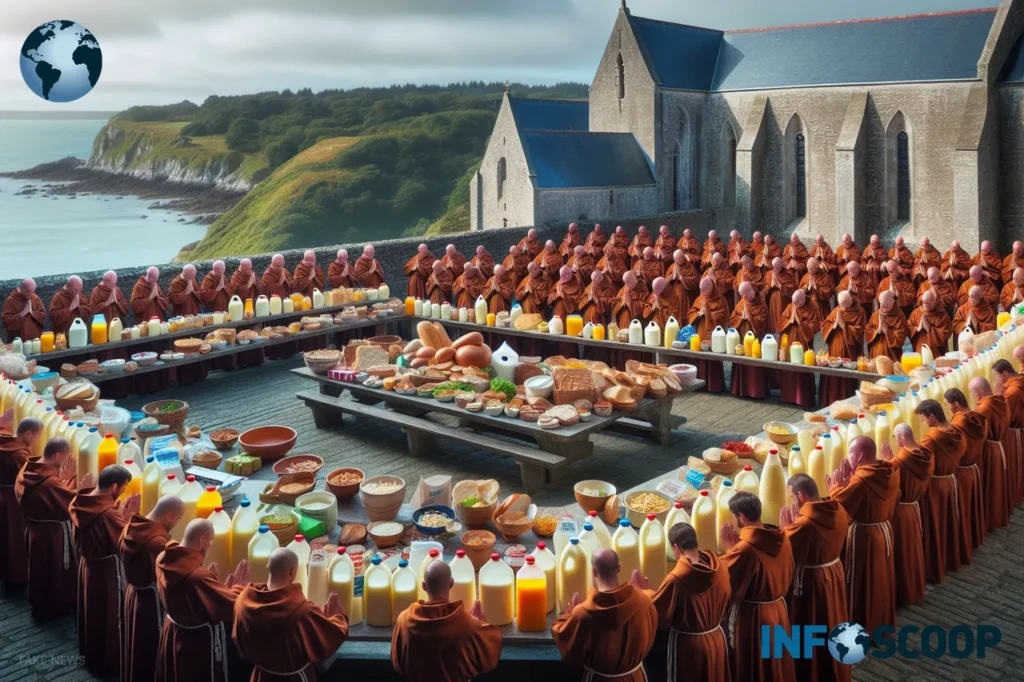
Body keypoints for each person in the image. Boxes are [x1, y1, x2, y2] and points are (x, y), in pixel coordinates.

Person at [156, 518, 249, 682]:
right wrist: (238, 589)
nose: (211, 545)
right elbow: (231, 606)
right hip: (198, 641)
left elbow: (197, 599)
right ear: (202, 540)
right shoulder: (197, 576)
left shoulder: (162, 557)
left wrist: (216, 586)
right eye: (211, 540)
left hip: (174, 632)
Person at [234, 548, 347, 681]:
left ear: (268, 566)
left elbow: (238, 638)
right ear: (293, 570)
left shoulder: (243, 601)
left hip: (261, 675)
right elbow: (329, 639)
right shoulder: (301, 611)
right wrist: (337, 618)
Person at [779, 475, 850, 682]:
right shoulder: (839, 509)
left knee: (811, 625)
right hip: (834, 572)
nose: (792, 500)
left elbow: (782, 550)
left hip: (812, 582)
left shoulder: (805, 524)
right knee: (832, 619)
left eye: (792, 496)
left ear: (801, 495)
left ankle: (812, 671)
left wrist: (786, 529)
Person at [70, 464, 140, 675]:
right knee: (109, 613)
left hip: (87, 565)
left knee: (91, 611)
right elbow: (125, 544)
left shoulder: (80, 500)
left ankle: (91, 654)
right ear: (114, 486)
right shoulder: (108, 514)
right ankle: (108, 660)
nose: (124, 491)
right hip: (107, 571)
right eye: (124, 487)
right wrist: (128, 520)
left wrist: (118, 513)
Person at [719, 492, 796, 682]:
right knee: (776, 660)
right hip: (779, 609)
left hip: (754, 616)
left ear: (742, 517)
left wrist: (730, 552)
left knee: (755, 664)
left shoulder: (744, 549)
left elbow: (723, 579)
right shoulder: (782, 538)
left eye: (735, 516)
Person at [828, 435, 900, 636]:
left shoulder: (862, 479)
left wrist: (835, 487)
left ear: (859, 456)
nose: (848, 458)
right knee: (880, 579)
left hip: (865, 535)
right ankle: (881, 619)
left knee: (863, 579)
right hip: (884, 531)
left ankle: (863, 622)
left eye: (850, 454)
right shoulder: (890, 470)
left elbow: (839, 504)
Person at [551, 547, 658, 682]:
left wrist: (569, 617)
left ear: (594, 571)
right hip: (635, 677)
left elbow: (570, 651)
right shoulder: (644, 602)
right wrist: (645, 591)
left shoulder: (583, 614)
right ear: (619, 568)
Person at [641, 522, 730, 682]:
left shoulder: (676, 579)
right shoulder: (720, 568)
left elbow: (659, 615)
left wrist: (644, 593)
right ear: (696, 543)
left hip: (689, 648)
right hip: (717, 639)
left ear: (676, 548)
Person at [391, 558, 501, 682]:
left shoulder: (404, 620)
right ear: (451, 583)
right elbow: (491, 658)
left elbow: (397, 664)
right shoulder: (469, 626)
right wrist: (481, 626)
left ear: (424, 586)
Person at [119, 495, 184, 682]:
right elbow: (174, 574)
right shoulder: (157, 543)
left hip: (134, 594)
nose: (178, 522)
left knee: (136, 641)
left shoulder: (132, 526)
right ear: (169, 516)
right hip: (150, 603)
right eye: (179, 518)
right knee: (148, 645)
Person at [14, 436, 80, 620]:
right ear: (58, 455)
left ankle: (42, 604)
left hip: (34, 529)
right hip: (51, 534)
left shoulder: (27, 468)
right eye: (66, 457)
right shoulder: (49, 482)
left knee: (39, 570)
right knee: (52, 570)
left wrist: (61, 480)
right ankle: (53, 607)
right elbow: (68, 506)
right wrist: (73, 486)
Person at [915, 399, 966, 581]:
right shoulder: (956, 432)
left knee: (934, 525)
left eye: (923, 418)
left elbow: (922, 464)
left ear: (932, 416)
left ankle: (934, 565)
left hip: (935, 487)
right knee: (949, 521)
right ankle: (950, 558)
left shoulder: (931, 438)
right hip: (950, 481)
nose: (923, 422)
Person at [885, 424, 933, 608]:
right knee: (913, 550)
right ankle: (915, 586)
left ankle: (904, 591)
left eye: (896, 438)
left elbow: (890, 482)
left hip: (901, 512)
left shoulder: (901, 459)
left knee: (902, 552)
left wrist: (890, 460)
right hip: (914, 508)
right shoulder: (927, 454)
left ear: (902, 438)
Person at [0, 418, 43, 589]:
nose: (37, 440)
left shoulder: (5, 439)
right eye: (37, 436)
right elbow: (32, 480)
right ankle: (17, 577)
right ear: (28, 433)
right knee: (14, 538)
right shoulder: (20, 455)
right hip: (12, 501)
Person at [946, 388, 988, 555]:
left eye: (947, 404)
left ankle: (961, 545)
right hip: (973, 469)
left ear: (956, 404)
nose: (947, 408)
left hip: (961, 472)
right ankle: (973, 537)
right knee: (971, 506)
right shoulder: (978, 418)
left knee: (961, 509)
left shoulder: (957, 424)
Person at [971, 377, 1011, 531]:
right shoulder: (1000, 400)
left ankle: (990, 519)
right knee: (998, 483)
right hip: (998, 446)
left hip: (989, 450)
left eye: (973, 394)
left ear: (981, 392)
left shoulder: (984, 408)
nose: (973, 396)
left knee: (991, 484)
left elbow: (975, 432)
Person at [820, 291, 866, 405]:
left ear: (850, 300)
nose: (843, 307)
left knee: (847, 375)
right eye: (841, 304)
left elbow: (859, 330)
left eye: (845, 303)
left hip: (850, 350)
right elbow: (826, 324)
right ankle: (832, 400)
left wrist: (844, 326)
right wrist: (834, 325)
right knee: (834, 373)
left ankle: (848, 400)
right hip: (835, 348)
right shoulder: (837, 310)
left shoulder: (859, 311)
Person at [777, 289, 819, 406]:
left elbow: (814, 327)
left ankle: (803, 398)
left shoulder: (812, 306)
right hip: (791, 341)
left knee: (802, 368)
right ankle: (788, 396)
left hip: (803, 343)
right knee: (790, 368)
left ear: (803, 299)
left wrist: (801, 323)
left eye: (797, 303)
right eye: (793, 303)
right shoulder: (791, 306)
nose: (795, 306)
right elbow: (780, 322)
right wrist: (790, 321)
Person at [688, 277, 730, 393]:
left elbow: (722, 316)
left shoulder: (720, 300)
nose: (702, 293)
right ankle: (701, 384)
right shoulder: (700, 299)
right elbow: (691, 312)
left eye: (704, 290)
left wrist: (709, 315)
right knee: (701, 357)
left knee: (714, 358)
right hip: (702, 331)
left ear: (711, 288)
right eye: (701, 290)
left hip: (714, 333)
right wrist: (698, 314)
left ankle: (714, 385)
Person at [729, 282, 770, 399]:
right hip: (743, 339)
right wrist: (741, 318)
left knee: (754, 365)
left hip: (756, 341)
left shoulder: (761, 304)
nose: (743, 298)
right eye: (741, 295)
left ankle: (756, 391)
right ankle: (741, 389)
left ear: (750, 291)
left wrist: (750, 318)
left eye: (745, 295)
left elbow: (762, 322)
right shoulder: (742, 303)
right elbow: (732, 319)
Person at [992, 358, 1024, 508]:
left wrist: (997, 396)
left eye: (997, 376)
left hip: (1015, 433)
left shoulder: (1012, 391)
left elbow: (1003, 416)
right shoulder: (1020, 380)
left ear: (1005, 373)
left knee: (1015, 464)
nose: (996, 380)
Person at [229, 259, 265, 368]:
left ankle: (257, 359)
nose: (250, 269)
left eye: (251, 267)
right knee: (243, 333)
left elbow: (262, 289)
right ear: (242, 267)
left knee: (255, 331)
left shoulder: (252, 274)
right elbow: (238, 293)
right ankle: (244, 361)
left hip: (253, 306)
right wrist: (249, 283)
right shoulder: (236, 276)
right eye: (248, 268)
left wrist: (255, 282)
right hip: (241, 308)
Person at [866, 290, 907, 361]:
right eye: (881, 305)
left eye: (886, 306)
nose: (883, 309)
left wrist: (887, 330)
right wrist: (876, 331)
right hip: (876, 352)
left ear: (893, 302)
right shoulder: (876, 314)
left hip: (891, 354)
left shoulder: (900, 316)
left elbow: (901, 337)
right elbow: (868, 329)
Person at [908, 290, 952, 355]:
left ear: (934, 301)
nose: (924, 305)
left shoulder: (942, 315)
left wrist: (929, 328)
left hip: (937, 353)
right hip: (919, 350)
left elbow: (945, 334)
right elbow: (908, 326)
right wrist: (916, 329)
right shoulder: (916, 312)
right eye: (923, 302)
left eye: (927, 303)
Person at [764, 256, 799, 336]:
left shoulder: (787, 274)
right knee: (774, 317)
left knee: (782, 316)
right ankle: (775, 333)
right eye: (774, 267)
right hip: (773, 300)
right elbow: (765, 290)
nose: (775, 269)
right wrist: (771, 286)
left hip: (784, 301)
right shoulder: (769, 274)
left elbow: (792, 288)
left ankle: (784, 333)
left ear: (781, 265)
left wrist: (780, 286)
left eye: (777, 267)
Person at [665, 249, 699, 322]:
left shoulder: (690, 266)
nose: (679, 259)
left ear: (683, 257)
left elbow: (695, 279)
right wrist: (671, 278)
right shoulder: (673, 266)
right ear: (674, 259)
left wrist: (682, 278)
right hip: (676, 291)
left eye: (681, 257)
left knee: (686, 308)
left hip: (688, 293)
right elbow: (667, 280)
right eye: (677, 258)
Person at [800, 257, 834, 321]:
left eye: (812, 269)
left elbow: (828, 292)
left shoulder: (825, 277)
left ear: (816, 267)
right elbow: (800, 290)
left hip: (821, 306)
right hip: (809, 307)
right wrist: (806, 288)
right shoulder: (806, 276)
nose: (810, 271)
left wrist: (817, 288)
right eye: (809, 269)